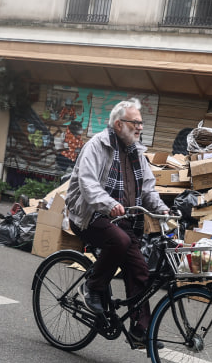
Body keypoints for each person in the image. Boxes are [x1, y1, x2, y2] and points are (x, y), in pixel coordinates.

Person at [65, 98, 169, 343]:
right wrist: (109, 204)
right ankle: (92, 286)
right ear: (119, 123)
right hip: (90, 215)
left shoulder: (136, 153)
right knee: (119, 241)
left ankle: (140, 331)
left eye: (142, 123)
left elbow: (148, 191)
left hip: (121, 221)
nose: (140, 127)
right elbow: (88, 184)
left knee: (140, 270)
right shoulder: (96, 146)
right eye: (136, 123)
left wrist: (163, 209)